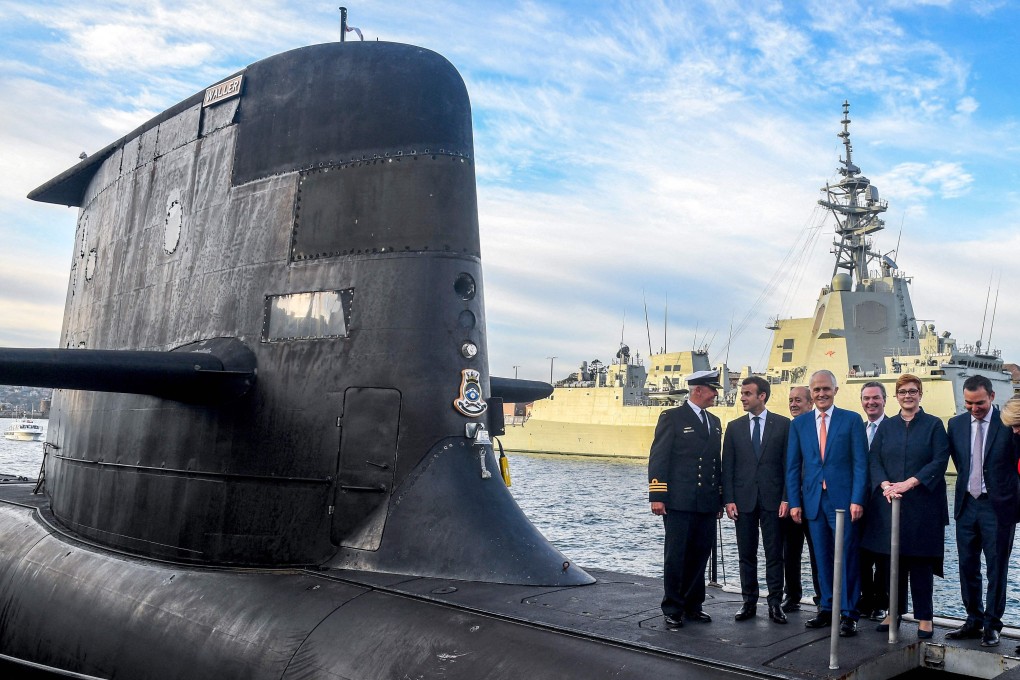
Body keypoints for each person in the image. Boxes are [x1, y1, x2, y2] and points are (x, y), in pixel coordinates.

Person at [861, 374, 949, 639]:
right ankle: (893, 612)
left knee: (921, 563)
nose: (907, 396)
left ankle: (925, 617)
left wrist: (910, 483)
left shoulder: (934, 425)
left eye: (912, 391)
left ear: (920, 394)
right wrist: (886, 484)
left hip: (923, 506)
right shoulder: (887, 427)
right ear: (896, 396)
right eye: (902, 391)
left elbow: (939, 460)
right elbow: (874, 458)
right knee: (891, 564)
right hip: (890, 505)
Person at [786, 369, 868, 636]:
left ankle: (849, 613)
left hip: (843, 502)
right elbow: (793, 466)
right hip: (812, 502)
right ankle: (827, 607)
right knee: (821, 557)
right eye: (817, 390)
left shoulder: (851, 420)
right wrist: (795, 502)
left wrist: (858, 499)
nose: (821, 394)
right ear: (811, 393)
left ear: (835, 391)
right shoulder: (799, 425)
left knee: (846, 556)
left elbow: (860, 465)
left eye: (826, 389)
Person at [944, 375, 1019, 648]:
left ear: (992, 398)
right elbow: (959, 463)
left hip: (998, 508)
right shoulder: (955, 424)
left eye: (980, 403)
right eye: (968, 403)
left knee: (996, 569)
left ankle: (992, 625)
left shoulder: (1007, 424)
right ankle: (973, 620)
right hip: (966, 505)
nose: (974, 408)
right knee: (967, 567)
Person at [648, 369, 724, 629]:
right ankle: (673, 606)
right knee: (676, 555)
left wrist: (719, 500)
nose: (716, 394)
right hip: (679, 501)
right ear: (698, 390)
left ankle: (694, 605)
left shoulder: (714, 422)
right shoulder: (672, 417)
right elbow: (659, 456)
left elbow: (716, 463)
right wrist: (657, 495)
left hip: (705, 502)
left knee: (700, 555)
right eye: (713, 389)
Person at [722, 376, 791, 624]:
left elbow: (788, 466)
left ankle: (775, 604)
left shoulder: (783, 425)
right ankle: (748, 602)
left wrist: (786, 498)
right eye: (742, 393)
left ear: (762, 396)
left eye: (748, 393)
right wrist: (728, 499)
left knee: (774, 554)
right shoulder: (734, 427)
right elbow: (727, 466)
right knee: (746, 554)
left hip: (774, 501)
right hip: (743, 501)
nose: (742, 397)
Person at [780, 385, 821, 612]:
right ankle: (792, 595)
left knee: (818, 553)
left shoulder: (819, 428)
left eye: (798, 400)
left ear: (810, 403)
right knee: (791, 553)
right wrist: (787, 499)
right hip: (791, 502)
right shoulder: (788, 428)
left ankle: (822, 597)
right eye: (791, 400)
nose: (794, 404)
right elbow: (786, 468)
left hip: (815, 502)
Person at [858, 382, 890, 622]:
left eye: (876, 398)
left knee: (884, 558)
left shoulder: (894, 428)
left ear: (884, 400)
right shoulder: (858, 429)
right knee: (861, 556)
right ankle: (865, 599)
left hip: (885, 502)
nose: (871, 402)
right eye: (867, 398)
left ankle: (881, 602)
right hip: (860, 501)